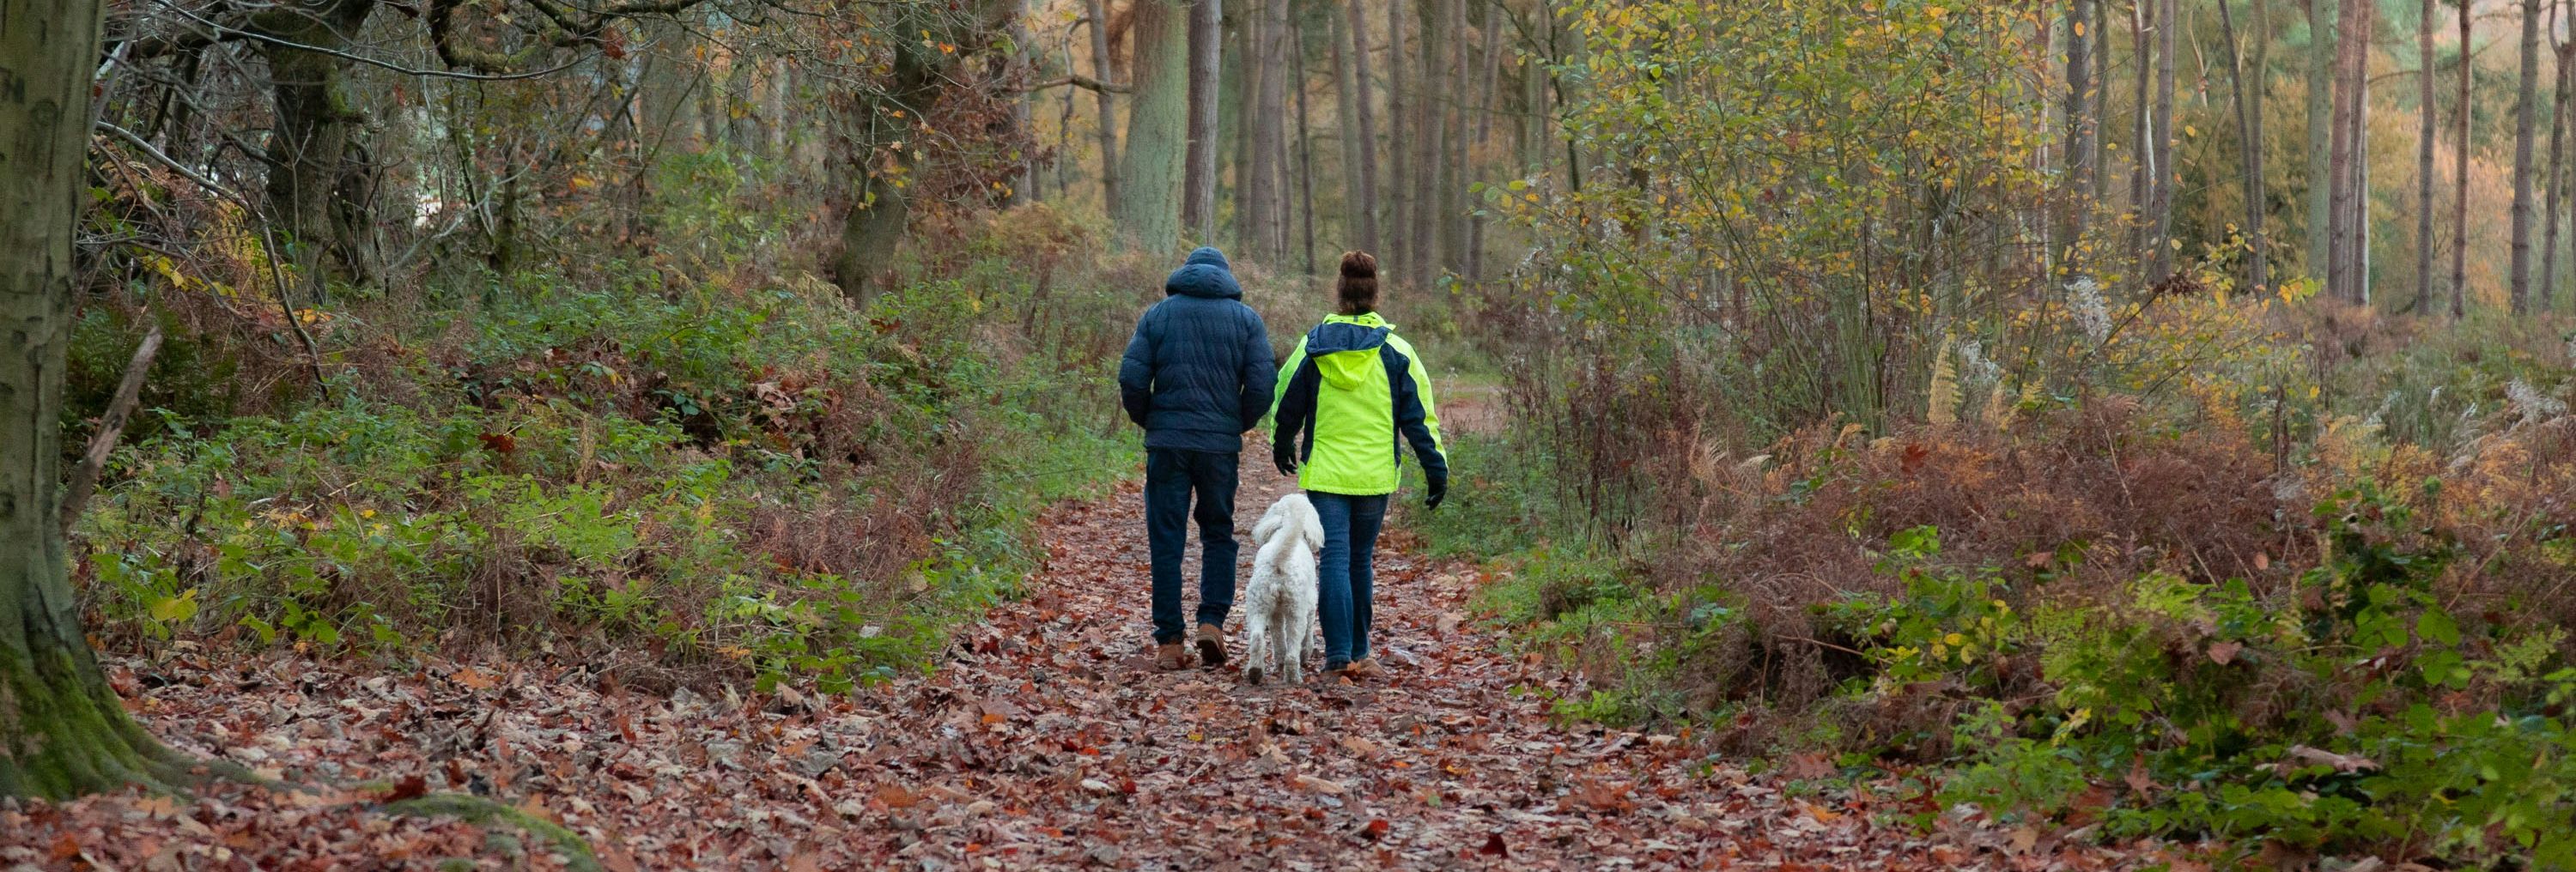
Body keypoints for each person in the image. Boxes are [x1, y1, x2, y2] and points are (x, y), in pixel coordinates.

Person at [1269, 251, 1447, 681]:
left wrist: (1281, 440)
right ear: (1374, 292)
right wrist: (1435, 465)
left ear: (1340, 290)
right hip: (1374, 474)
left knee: (1334, 558)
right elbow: (1418, 416)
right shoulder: (1396, 351)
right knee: (1359, 560)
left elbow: (1286, 399)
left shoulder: (1314, 346)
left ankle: (1337, 657)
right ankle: (1362, 654)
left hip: (1327, 473)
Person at [1118, 247, 1278, 671]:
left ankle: (1170, 639)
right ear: (1226, 278)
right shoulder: (1246, 321)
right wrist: (1233, 423)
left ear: (1185, 274)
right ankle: (1212, 621)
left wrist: (1150, 419)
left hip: (1167, 444)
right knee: (1218, 533)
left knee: (1166, 538)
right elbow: (1263, 384)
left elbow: (1132, 377)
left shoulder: (1158, 315)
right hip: (1218, 447)